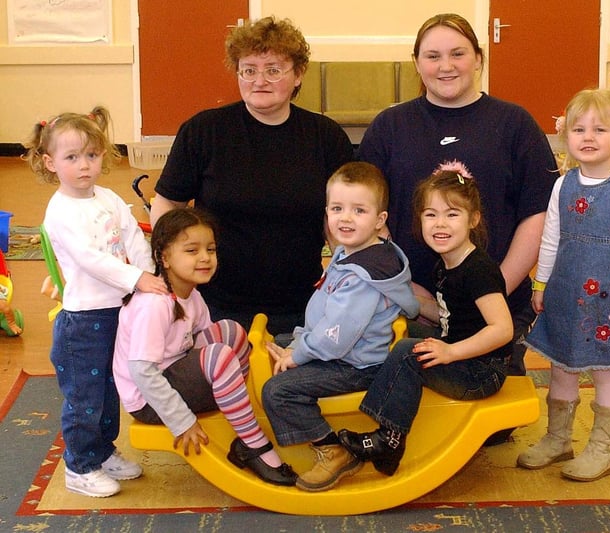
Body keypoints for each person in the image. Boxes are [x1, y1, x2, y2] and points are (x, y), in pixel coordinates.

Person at [357, 13, 557, 381]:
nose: (445, 66)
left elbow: (538, 214)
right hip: (407, 303)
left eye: (458, 54)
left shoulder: (516, 124)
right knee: (407, 412)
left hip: (494, 307)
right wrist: (405, 288)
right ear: (417, 63)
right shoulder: (389, 127)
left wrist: (490, 290)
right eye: (432, 56)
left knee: (493, 428)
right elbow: (364, 217)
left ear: (479, 59)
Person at [150, 16, 354, 335]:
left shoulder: (326, 137)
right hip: (214, 306)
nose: (260, 80)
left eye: (273, 69)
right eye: (249, 70)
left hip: (305, 305)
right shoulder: (204, 131)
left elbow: (342, 222)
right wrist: (170, 272)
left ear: (298, 74)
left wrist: (349, 281)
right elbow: (167, 205)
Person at [24, 107, 168, 498]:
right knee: (84, 398)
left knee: (111, 390)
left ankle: (103, 452)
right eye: (72, 158)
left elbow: (134, 239)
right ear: (50, 163)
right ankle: (80, 465)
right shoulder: (61, 211)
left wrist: (149, 274)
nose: (84, 166)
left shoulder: (108, 197)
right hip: (84, 322)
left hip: (119, 311)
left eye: (92, 155)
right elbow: (91, 259)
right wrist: (136, 278)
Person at [338, 163, 514, 476]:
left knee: (408, 352)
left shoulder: (477, 269)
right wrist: (403, 303)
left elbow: (502, 330)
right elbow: (446, 313)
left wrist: (450, 352)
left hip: (482, 370)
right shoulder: (447, 262)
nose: (439, 224)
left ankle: (389, 439)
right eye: (431, 214)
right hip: (460, 349)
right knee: (399, 329)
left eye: (452, 214)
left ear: (473, 220)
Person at [516, 89, 610, 482]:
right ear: (565, 135)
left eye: (599, 129)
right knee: (561, 367)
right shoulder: (563, 184)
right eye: (578, 129)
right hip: (563, 295)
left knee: (606, 372)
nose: (587, 137)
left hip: (607, 305)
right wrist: (541, 284)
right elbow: (551, 239)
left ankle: (602, 450)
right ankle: (558, 439)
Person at [261, 162, 419, 492]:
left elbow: (336, 339)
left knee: (278, 390)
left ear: (380, 220)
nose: (345, 218)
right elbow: (328, 314)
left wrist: (299, 353)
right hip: (346, 348)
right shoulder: (355, 250)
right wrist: (300, 341)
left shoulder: (363, 276)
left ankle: (331, 451)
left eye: (358, 210)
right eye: (337, 208)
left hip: (355, 364)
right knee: (279, 340)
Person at [113, 207, 297, 486]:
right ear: (164, 257)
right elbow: (142, 371)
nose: (205, 258)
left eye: (210, 250)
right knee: (220, 357)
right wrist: (182, 422)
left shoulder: (191, 295)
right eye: (191, 250)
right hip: (148, 400)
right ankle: (253, 445)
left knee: (232, 331)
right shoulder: (154, 304)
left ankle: (242, 409)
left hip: (173, 371)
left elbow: (204, 338)